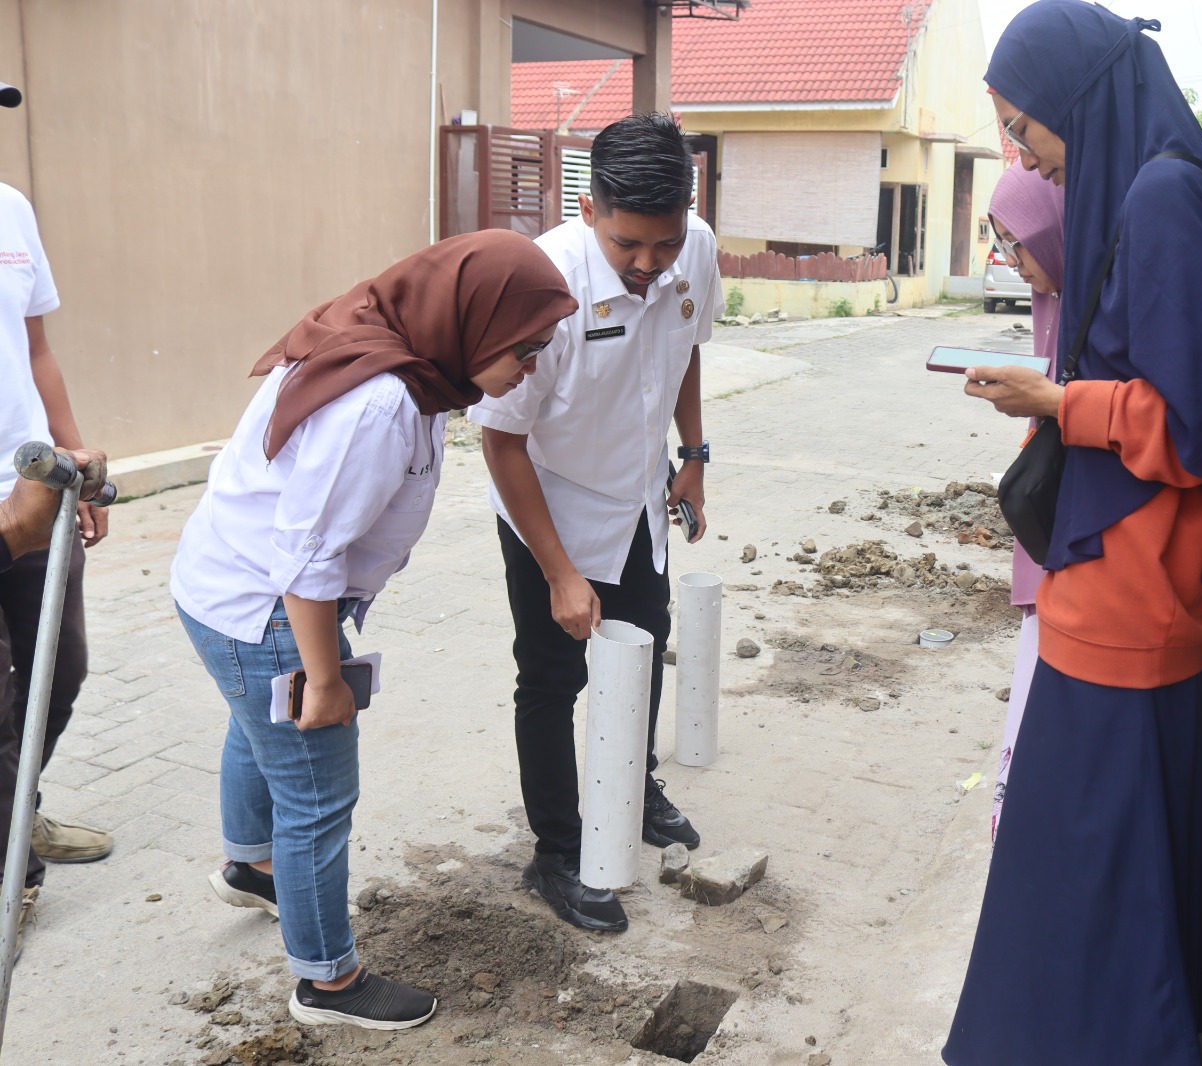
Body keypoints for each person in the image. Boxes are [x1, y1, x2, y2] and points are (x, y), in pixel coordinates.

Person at [944, 5, 1202, 1064]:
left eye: (1025, 127)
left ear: (1079, 100)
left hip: (1129, 582)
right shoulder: (1155, 178)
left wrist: (1058, 404)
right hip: (1147, 577)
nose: (1022, 156)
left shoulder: (1156, 198)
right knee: (1123, 833)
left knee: (1085, 844)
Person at [171, 230, 577, 1030]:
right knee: (318, 795)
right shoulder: (381, 401)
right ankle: (328, 982)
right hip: (266, 609)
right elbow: (308, 560)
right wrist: (324, 680)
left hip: (222, 589)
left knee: (258, 725)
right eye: (522, 349)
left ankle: (251, 865)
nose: (526, 369)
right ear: (467, 322)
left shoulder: (402, 353)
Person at [468, 112, 723, 934]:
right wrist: (560, 573)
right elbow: (500, 441)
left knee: (640, 653)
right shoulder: (541, 287)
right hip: (548, 504)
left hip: (640, 498)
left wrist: (694, 455)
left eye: (665, 242)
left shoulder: (697, 253)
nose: (650, 265)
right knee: (551, 678)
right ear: (588, 208)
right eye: (628, 247)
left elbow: (684, 349)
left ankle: (633, 786)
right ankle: (555, 848)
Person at [0, 165, 116, 949]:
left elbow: (36, 347)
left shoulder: (10, 209)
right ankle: (14, 879)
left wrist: (71, 458)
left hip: (33, 483)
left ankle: (15, 810)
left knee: (59, 671)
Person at [984, 162, 1064, 842]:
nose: (1013, 263)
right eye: (1000, 245)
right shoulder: (1057, 304)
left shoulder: (1100, 307)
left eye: (1019, 243)